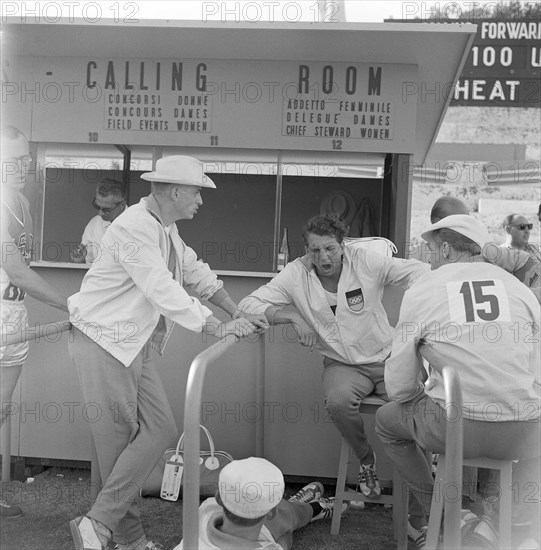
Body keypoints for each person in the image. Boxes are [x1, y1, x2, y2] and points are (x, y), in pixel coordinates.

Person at [67, 155, 268, 550]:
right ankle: (118, 534)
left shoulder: (165, 228)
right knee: (118, 447)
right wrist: (214, 326)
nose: (201, 200)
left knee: (161, 429)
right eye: (197, 191)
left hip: (131, 344)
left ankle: (103, 526)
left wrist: (237, 311)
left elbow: (194, 273)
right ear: (175, 191)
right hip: (103, 341)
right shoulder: (134, 227)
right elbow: (161, 288)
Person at [375, 215, 540, 548]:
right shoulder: (519, 289)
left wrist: (414, 394)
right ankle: (500, 519)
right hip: (524, 433)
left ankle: (453, 514)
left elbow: (399, 384)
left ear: (447, 248)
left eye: (431, 249)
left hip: (454, 428)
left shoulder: (425, 287)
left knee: (386, 422)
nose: (429, 257)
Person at [238, 214, 428, 499]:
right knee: (337, 403)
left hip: (387, 357)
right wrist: (289, 316)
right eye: (315, 250)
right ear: (307, 250)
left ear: (343, 246)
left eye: (330, 248)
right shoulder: (296, 273)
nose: (323, 256)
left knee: (416, 406)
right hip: (343, 364)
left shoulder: (364, 261)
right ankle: (366, 461)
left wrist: (419, 307)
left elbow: (418, 271)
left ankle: (423, 479)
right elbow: (246, 305)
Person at [0, 125, 69, 518]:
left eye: (26, 159)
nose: (22, 166)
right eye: (13, 160)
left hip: (15, 313)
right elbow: (17, 270)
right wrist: (69, 306)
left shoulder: (22, 205)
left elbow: (20, 275)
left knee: (2, 409)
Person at [174, 457, 347, 549]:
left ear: (218, 498)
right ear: (273, 511)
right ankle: (310, 509)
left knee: (285, 531)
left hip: (260, 538)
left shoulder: (205, 510)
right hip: (265, 538)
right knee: (288, 523)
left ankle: (298, 507)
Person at [70, 178, 127, 263]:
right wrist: (80, 261)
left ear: (122, 205)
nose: (100, 213)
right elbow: (88, 265)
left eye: (106, 209)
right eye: (97, 206)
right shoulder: (94, 224)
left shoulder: (137, 225)